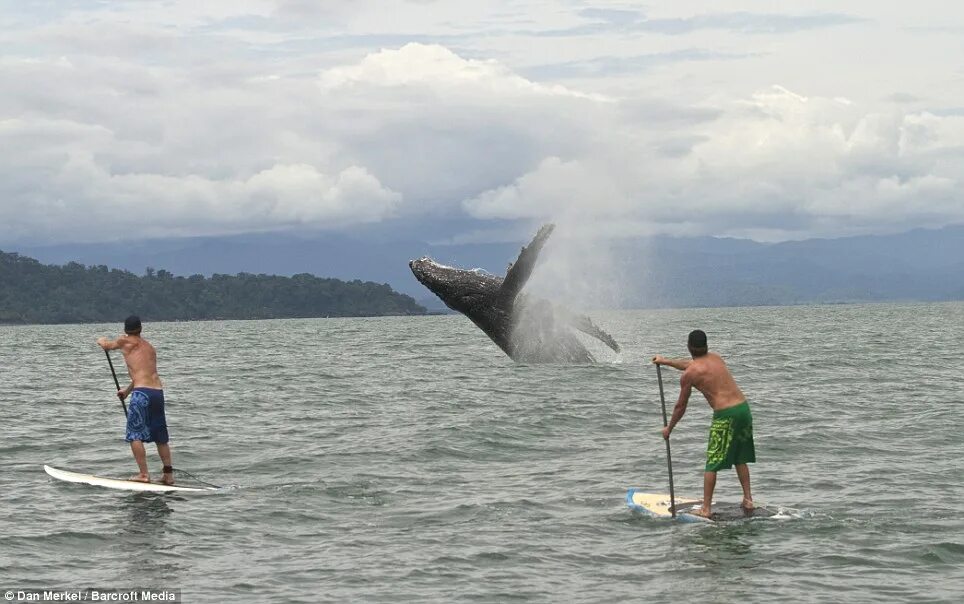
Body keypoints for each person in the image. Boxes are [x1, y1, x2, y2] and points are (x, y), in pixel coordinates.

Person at [652, 329, 755, 518]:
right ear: (706, 346)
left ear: (689, 347)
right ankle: (748, 498)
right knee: (740, 456)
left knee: (712, 462)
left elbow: (680, 406)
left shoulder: (689, 375)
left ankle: (706, 509)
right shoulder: (716, 358)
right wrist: (665, 361)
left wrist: (669, 428)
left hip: (726, 415)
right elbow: (690, 364)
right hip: (743, 410)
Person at [97, 316, 174, 484]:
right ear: (141, 329)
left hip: (142, 395)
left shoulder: (125, 341)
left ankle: (144, 475)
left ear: (125, 330)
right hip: (157, 393)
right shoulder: (150, 348)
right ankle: (169, 476)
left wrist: (101, 340)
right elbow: (144, 373)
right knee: (161, 437)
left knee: (134, 435)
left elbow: (107, 346)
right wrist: (127, 390)